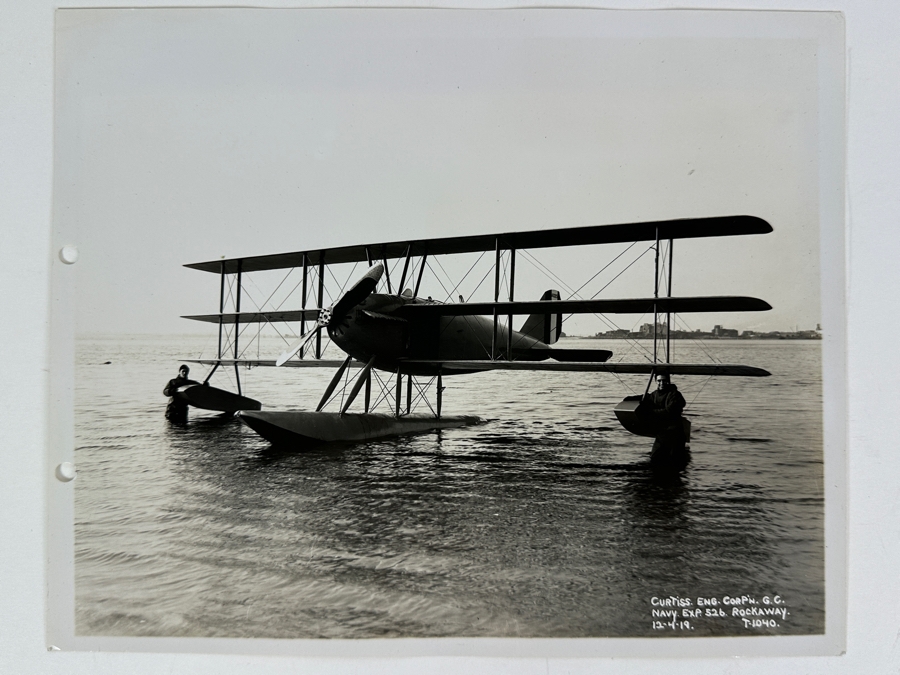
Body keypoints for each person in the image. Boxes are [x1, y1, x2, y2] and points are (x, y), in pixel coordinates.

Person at [644, 373, 689, 470]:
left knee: (675, 463)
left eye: (664, 380)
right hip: (662, 432)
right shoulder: (654, 395)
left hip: (675, 433)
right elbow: (645, 398)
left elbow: (669, 411)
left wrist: (651, 412)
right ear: (656, 381)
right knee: (655, 458)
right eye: (659, 381)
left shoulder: (675, 394)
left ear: (668, 381)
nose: (662, 383)